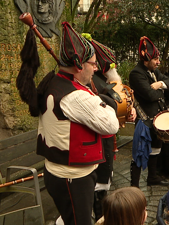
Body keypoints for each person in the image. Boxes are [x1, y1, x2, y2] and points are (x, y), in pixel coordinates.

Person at [26, 22, 120, 225]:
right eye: (93, 63)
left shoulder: (53, 80)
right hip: (73, 178)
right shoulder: (77, 97)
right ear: (79, 65)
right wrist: (107, 102)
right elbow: (112, 126)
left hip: (58, 172)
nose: (96, 68)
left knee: (70, 218)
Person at [81, 34, 134, 222]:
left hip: (106, 144)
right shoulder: (91, 83)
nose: (114, 68)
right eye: (110, 65)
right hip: (94, 146)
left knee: (103, 187)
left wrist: (130, 111)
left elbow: (118, 104)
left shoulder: (104, 82)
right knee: (96, 190)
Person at [129, 36, 169, 187]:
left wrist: (160, 83)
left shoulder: (154, 72)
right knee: (139, 153)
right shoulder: (136, 74)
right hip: (144, 120)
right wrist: (162, 91)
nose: (158, 62)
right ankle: (134, 186)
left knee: (156, 149)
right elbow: (149, 95)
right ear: (145, 60)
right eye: (155, 59)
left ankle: (152, 177)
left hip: (156, 118)